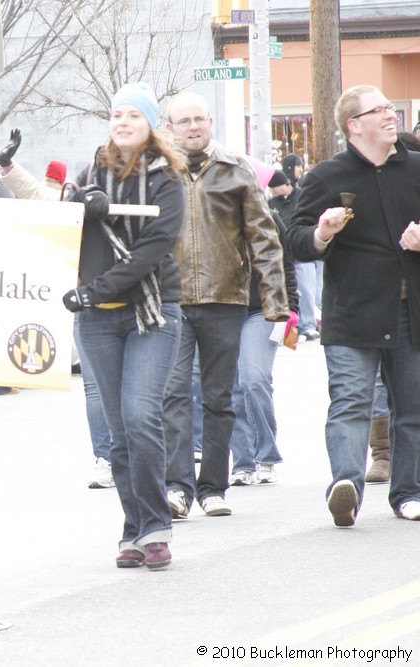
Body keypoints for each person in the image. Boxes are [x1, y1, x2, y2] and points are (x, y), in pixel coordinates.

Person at [63, 82, 185, 569]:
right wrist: (80, 205)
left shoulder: (166, 178)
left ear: (151, 124)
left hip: (150, 311)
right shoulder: (89, 173)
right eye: (117, 114)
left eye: (134, 115)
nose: (123, 122)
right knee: (117, 434)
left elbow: (154, 248)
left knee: (140, 417)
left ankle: (156, 525)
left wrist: (99, 288)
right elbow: (62, 229)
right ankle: (133, 529)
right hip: (95, 321)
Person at [287, 85, 420, 526]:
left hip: (409, 312)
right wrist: (322, 233)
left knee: (412, 406)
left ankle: (408, 493)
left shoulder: (416, 168)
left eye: (390, 107)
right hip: (352, 312)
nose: (389, 115)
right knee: (350, 401)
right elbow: (295, 238)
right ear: (354, 125)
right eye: (378, 109)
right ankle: (345, 486)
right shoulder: (326, 177)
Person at [161, 92, 289, 519]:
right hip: (172, 299)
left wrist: (276, 303)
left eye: (199, 119)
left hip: (225, 298)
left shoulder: (236, 170)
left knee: (219, 396)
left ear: (210, 121)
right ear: (170, 127)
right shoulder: (159, 172)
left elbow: (265, 239)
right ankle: (177, 487)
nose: (193, 127)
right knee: (175, 395)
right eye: (184, 121)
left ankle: (213, 488)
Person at [227, 200, 300, 486]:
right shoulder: (211, 217)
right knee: (230, 389)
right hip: (222, 311)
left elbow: (286, 265)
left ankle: (267, 456)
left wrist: (292, 306)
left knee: (253, 379)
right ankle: (243, 462)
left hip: (262, 311)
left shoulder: (269, 217)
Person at [269, 167, 319, 341]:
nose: (272, 191)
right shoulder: (272, 203)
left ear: (284, 184)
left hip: (300, 252)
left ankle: (309, 325)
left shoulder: (302, 196)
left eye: (274, 187)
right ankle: (293, 328)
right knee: (289, 289)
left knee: (306, 289)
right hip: (284, 251)